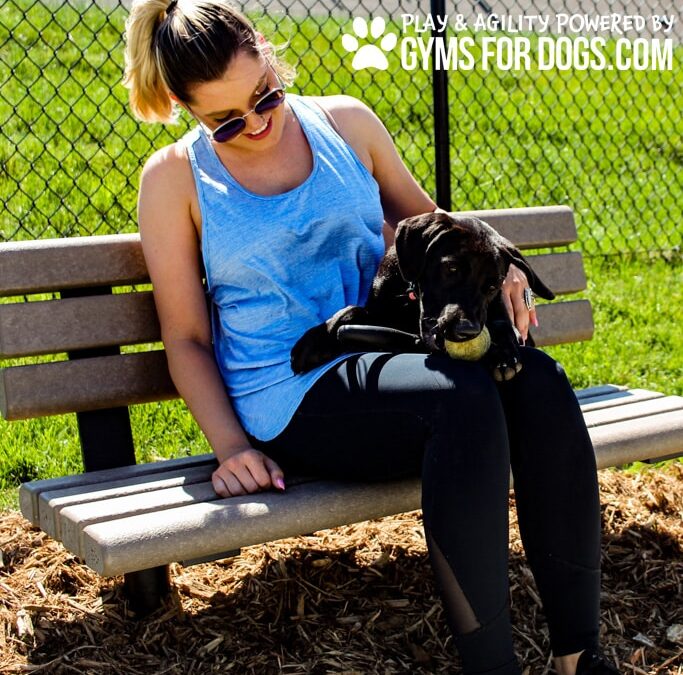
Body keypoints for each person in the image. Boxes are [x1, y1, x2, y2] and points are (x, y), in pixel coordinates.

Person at [123, 1, 621, 673]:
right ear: (187, 109)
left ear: (268, 52)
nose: (258, 123)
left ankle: (579, 660)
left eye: (265, 95)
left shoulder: (346, 124)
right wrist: (231, 446)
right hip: (290, 391)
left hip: (390, 356)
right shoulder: (174, 179)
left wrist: (500, 262)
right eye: (228, 121)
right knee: (461, 398)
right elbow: (184, 336)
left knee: (539, 382)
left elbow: (433, 225)